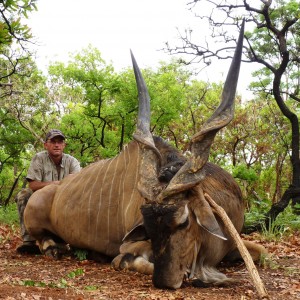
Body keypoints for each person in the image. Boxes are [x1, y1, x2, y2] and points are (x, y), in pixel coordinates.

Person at [15, 129, 81, 254]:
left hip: (64, 200)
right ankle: (28, 241)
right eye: (53, 142)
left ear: (64, 145)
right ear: (46, 145)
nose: (57, 145)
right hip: (42, 200)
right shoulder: (39, 158)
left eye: (60, 142)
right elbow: (33, 185)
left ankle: (72, 239)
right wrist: (54, 184)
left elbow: (77, 185)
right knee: (23, 195)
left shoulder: (72, 161)